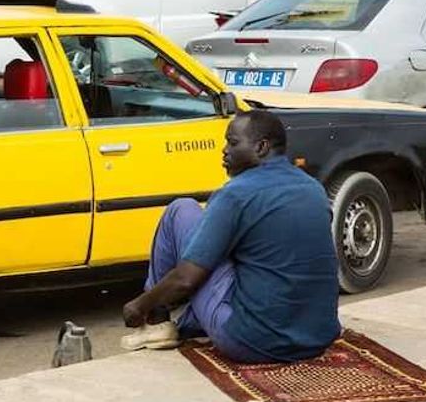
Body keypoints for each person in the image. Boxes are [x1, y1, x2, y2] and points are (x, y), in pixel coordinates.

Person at [120, 110, 341, 363]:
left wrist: (139, 306)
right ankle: (191, 320)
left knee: (181, 210)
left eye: (233, 143)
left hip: (253, 342)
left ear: (261, 147)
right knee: (236, 254)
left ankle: (156, 323)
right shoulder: (313, 188)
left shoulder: (236, 194)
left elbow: (185, 280)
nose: (224, 150)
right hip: (317, 337)